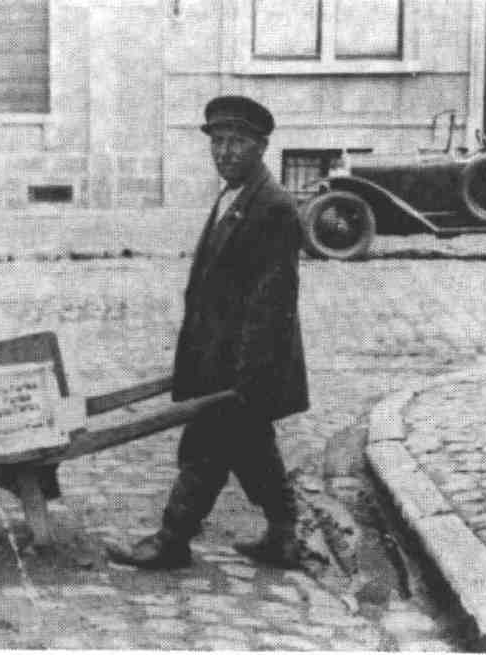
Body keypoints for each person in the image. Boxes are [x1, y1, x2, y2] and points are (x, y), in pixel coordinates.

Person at [107, 95, 309, 570]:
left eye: (236, 142)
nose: (224, 152)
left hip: (243, 361)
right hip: (219, 356)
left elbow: (271, 300)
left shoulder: (273, 207)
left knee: (207, 448)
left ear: (260, 147)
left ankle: (172, 539)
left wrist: (247, 375)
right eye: (217, 142)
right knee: (252, 447)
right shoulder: (233, 196)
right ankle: (284, 533)